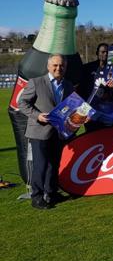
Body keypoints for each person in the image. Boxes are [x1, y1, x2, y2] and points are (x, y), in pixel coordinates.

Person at [19, 54, 74, 209]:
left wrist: (82, 117)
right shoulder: (36, 82)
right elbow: (22, 102)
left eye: (61, 65)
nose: (58, 68)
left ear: (65, 67)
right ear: (48, 66)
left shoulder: (68, 85)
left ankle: (51, 193)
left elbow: (72, 108)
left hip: (58, 132)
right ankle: (37, 197)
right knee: (41, 165)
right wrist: (38, 116)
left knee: (54, 164)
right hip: (39, 131)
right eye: (55, 65)